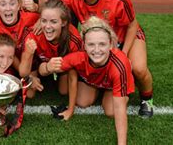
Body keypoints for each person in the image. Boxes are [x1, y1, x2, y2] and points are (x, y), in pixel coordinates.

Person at [59, 0, 154, 118]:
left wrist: (123, 53)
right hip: (99, 43)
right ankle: (106, 84)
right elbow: (52, 9)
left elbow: (132, 25)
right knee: (82, 101)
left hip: (125, 36)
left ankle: (147, 98)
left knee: (138, 68)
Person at [46, 16, 135, 144]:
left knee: (111, 111)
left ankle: (121, 92)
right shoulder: (78, 57)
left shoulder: (119, 65)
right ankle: (98, 90)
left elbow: (120, 109)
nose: (97, 50)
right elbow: (48, 69)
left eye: (102, 44)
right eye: (91, 44)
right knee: (81, 101)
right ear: (84, 46)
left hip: (112, 84)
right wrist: (46, 67)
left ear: (111, 45)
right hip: (96, 81)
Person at [19, 0, 82, 99]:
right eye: (44, 21)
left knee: (64, 90)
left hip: (61, 66)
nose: (48, 26)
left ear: (64, 22)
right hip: (40, 64)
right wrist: (28, 54)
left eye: (53, 21)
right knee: (30, 93)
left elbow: (73, 73)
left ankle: (53, 78)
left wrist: (70, 109)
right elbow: (23, 72)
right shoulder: (33, 35)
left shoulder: (73, 39)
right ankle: (45, 79)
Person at [0, 0, 40, 66]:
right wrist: (23, 74)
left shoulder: (31, 17)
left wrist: (38, 9)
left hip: (33, 60)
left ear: (19, 5)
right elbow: (8, 56)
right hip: (10, 63)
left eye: (12, 3)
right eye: (3, 4)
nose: (8, 8)